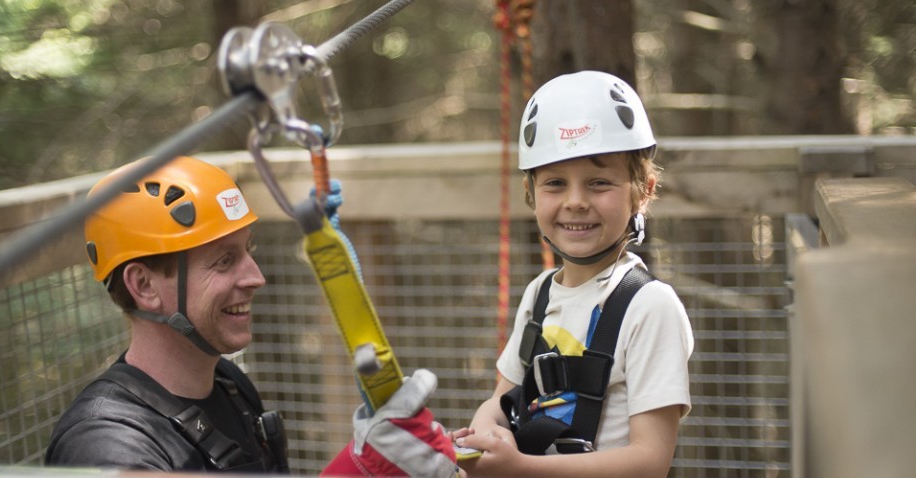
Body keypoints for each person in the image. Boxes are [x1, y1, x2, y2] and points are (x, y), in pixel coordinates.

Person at [45, 156, 456, 476]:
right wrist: (367, 468)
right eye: (224, 261)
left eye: (248, 251)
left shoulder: (230, 386)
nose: (256, 277)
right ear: (144, 286)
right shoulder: (105, 444)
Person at [455, 71, 694, 477]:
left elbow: (650, 461)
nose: (576, 202)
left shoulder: (649, 307)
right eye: (555, 184)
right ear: (530, 193)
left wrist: (519, 468)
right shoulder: (540, 294)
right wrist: (482, 435)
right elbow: (502, 401)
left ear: (644, 190)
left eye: (599, 183)